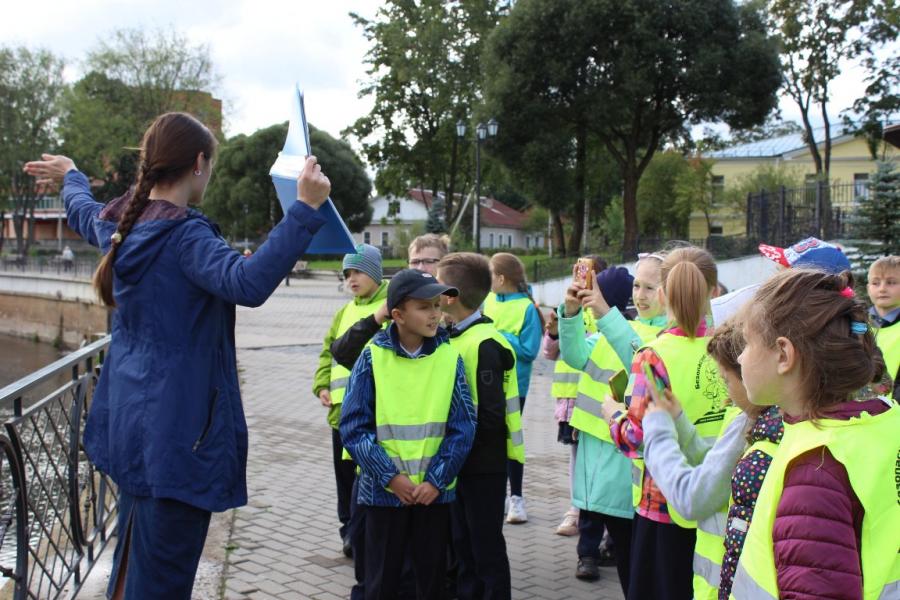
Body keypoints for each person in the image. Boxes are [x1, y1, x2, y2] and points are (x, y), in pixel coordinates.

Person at [23, 112, 331, 599]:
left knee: (133, 563)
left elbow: (83, 210)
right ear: (200, 164)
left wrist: (73, 175)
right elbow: (247, 285)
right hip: (180, 439)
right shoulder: (185, 237)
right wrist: (306, 209)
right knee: (161, 580)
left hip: (128, 428)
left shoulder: (122, 226)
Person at [730, 268, 899, 599]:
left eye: (747, 343)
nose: (739, 356)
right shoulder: (882, 421)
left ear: (783, 355)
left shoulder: (816, 472)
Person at [339, 269, 476, 600]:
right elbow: (354, 427)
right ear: (397, 315)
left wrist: (436, 481)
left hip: (433, 495)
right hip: (384, 495)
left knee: (431, 583)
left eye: (436, 305)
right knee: (381, 582)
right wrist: (392, 479)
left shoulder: (449, 356)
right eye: (424, 307)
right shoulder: (372, 357)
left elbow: (464, 425)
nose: (435, 314)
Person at [603, 246, 729, 600]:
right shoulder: (732, 346)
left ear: (662, 294)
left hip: (665, 498)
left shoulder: (653, 355)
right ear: (714, 291)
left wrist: (613, 414)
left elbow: (636, 437)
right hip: (720, 495)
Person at [641, 320, 784, 599]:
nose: (725, 391)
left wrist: (657, 429)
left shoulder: (752, 425)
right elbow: (716, 466)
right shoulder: (750, 416)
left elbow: (692, 497)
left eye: (726, 380)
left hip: (724, 586)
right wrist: (679, 421)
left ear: (749, 374)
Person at [437, 252, 521, 600]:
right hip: (459, 465)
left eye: (436, 287)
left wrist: (455, 451)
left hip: (481, 466)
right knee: (461, 545)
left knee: (484, 546)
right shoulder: (454, 336)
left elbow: (489, 418)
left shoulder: (485, 344)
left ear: (452, 296)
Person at [313, 243, 388, 556]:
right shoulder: (344, 311)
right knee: (344, 478)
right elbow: (328, 351)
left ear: (374, 272)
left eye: (358, 271)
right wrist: (321, 386)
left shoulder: (389, 306)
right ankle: (348, 530)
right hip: (339, 412)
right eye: (347, 273)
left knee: (365, 475)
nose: (352, 278)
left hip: (372, 411)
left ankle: (363, 533)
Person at [542, 256, 605, 537]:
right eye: (581, 274)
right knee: (576, 456)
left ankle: (599, 519)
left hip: (595, 398)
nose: (584, 281)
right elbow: (549, 353)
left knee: (597, 460)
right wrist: (555, 328)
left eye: (591, 276)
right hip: (569, 400)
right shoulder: (567, 306)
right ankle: (575, 509)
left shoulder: (604, 311)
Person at [484, 252, 543, 524]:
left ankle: (516, 498)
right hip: (485, 383)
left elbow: (530, 351)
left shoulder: (527, 308)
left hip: (514, 386)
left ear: (501, 278)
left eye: (490, 273)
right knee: (490, 441)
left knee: (512, 441)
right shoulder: (487, 301)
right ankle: (496, 496)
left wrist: (500, 336)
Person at [867, 255, 899, 398]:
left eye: (891, 282)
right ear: (868, 288)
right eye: (875, 283)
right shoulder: (853, 323)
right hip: (858, 413)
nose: (882, 289)